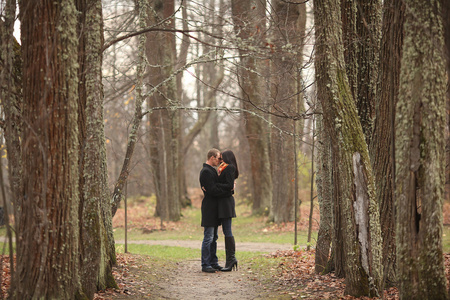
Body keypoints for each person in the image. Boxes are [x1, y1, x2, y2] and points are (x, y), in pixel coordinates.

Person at [199, 149, 232, 273]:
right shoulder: (206, 172)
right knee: (209, 237)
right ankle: (205, 263)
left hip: (215, 207)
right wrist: (228, 190)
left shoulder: (212, 171)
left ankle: (213, 262)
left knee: (214, 237)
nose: (220, 161)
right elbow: (212, 190)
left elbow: (215, 188)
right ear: (212, 157)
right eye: (218, 158)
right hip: (209, 208)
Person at [216, 150, 239, 272]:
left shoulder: (229, 167)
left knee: (227, 230)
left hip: (226, 203)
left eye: (222, 158)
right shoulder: (225, 168)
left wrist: (215, 185)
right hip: (224, 202)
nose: (220, 160)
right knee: (226, 230)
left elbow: (229, 185)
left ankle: (231, 259)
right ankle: (230, 260)